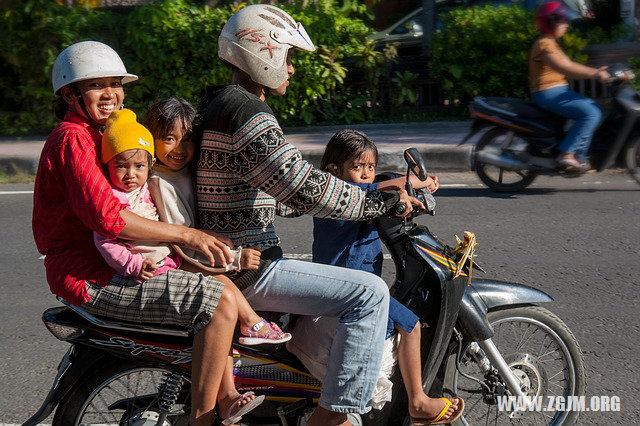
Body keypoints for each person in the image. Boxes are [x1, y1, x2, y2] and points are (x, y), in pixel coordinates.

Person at [195, 5, 424, 425]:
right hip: (250, 267)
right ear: (261, 53)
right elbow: (303, 186)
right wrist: (378, 202)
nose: (292, 69)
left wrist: (379, 186)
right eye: (288, 56)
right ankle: (333, 417)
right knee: (370, 292)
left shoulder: (222, 103)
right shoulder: (247, 112)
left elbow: (275, 193)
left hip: (231, 258)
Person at [33, 41, 240, 426]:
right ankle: (205, 417)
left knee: (223, 284)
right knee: (219, 302)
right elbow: (108, 218)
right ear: (69, 94)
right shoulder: (72, 138)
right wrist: (188, 236)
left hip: (116, 266)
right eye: (97, 85)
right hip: (92, 275)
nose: (110, 93)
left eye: (116, 83)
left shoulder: (100, 135)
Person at [312, 129, 464, 425]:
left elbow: (381, 184)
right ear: (334, 169)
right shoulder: (343, 197)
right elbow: (382, 190)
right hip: (349, 291)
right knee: (411, 325)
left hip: (348, 287)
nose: (366, 174)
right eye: (358, 167)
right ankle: (418, 401)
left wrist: (410, 185)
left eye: (370, 166)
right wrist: (415, 186)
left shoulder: (352, 191)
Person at [529, 1, 610, 171]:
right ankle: (566, 154)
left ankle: (578, 157)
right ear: (551, 22)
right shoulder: (544, 44)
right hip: (548, 93)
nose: (566, 24)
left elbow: (569, 64)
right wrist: (595, 74)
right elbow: (566, 67)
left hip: (557, 91)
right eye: (562, 21)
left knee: (592, 108)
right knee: (591, 113)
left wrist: (595, 71)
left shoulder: (550, 42)